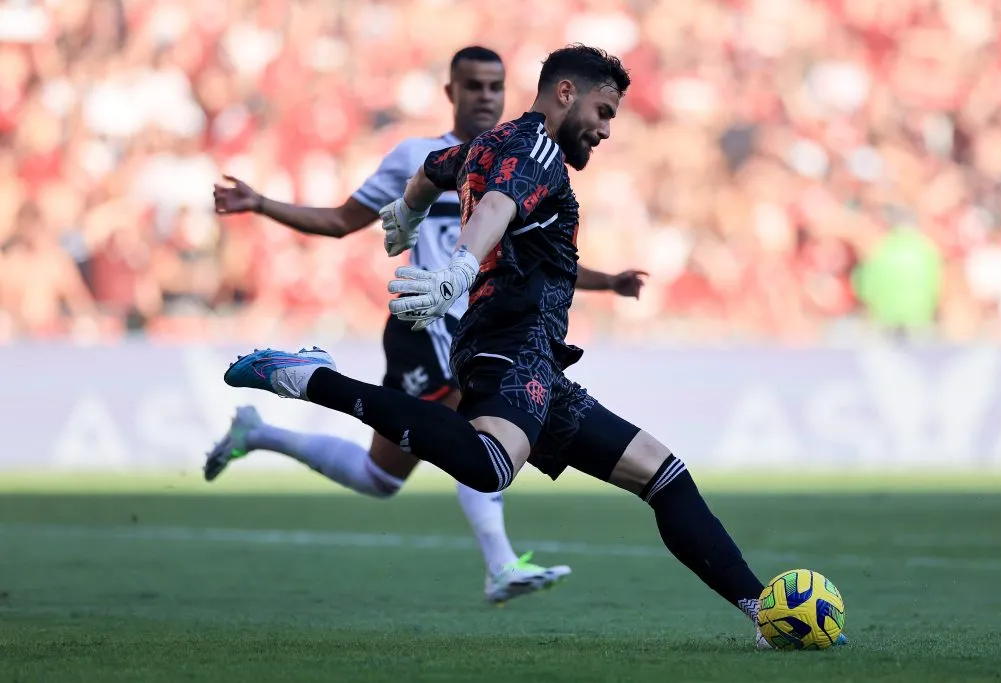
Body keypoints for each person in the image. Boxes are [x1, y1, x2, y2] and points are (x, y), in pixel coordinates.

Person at [224, 44, 846, 648]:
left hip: (537, 361)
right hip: (510, 344)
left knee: (664, 476)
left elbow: (434, 171)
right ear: (565, 93)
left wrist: (409, 215)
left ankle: (763, 611)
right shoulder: (538, 151)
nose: (605, 131)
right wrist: (457, 269)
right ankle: (311, 377)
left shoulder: (486, 145)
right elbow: (495, 206)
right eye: (603, 113)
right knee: (491, 465)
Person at [208, 46, 647, 605]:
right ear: (451, 93)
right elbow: (345, 221)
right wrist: (263, 203)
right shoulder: (418, 156)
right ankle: (500, 562)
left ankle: (258, 431)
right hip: (430, 324)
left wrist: (608, 283)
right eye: (473, 86)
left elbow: (541, 260)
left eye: (495, 86)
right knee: (480, 432)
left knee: (380, 478)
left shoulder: (516, 157)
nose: (486, 96)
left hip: (482, 322)